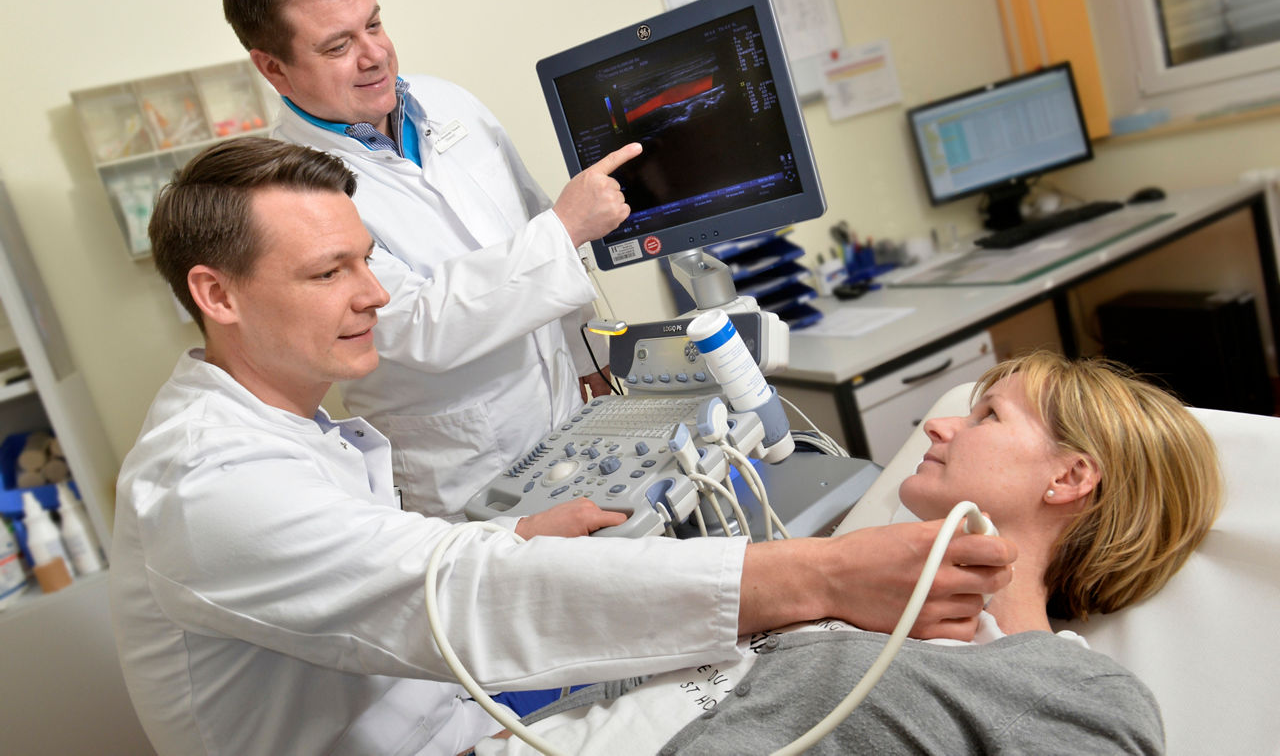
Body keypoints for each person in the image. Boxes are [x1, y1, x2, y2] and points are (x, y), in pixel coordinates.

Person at [109, 136, 1014, 755]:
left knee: (784, 672)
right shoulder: (205, 480)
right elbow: (453, 595)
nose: (376, 294)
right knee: (812, 680)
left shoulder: (292, 422)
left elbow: (412, 571)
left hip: (460, 717)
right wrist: (818, 575)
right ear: (216, 295)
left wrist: (513, 540)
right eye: (328, 272)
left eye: (367, 259)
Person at [474, 351, 1223, 754]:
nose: (938, 428)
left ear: (1069, 476)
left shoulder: (1072, 691)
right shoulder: (836, 588)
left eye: (987, 415)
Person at [222, 0, 635, 519]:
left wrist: (589, 357)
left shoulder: (450, 105)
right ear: (274, 69)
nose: (374, 55)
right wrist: (565, 230)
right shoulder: (287, 191)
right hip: (465, 465)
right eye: (338, 45)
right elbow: (417, 324)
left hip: (572, 416)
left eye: (374, 24)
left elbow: (535, 223)